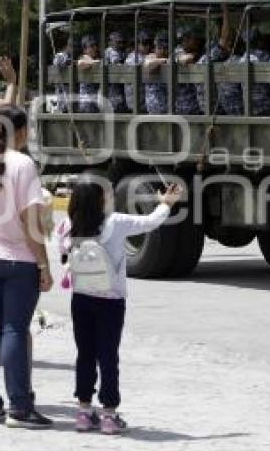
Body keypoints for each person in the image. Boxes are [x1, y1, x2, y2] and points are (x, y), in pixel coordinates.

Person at [62, 177, 181, 434]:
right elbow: (150, 222)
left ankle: (83, 411)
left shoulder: (69, 225)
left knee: (85, 354)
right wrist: (166, 204)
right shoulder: (115, 222)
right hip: (111, 301)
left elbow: (64, 252)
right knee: (108, 356)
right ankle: (109, 415)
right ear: (99, 200)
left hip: (81, 299)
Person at [0, 103, 54, 429]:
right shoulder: (23, 164)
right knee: (15, 329)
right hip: (18, 258)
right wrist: (44, 264)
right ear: (20, 131)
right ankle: (20, 406)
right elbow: (28, 219)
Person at [173, 26, 205, 115]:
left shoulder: (202, 50)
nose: (184, 42)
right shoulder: (178, 51)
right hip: (183, 107)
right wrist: (194, 56)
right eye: (183, 39)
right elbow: (184, 59)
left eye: (188, 39)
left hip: (198, 107)